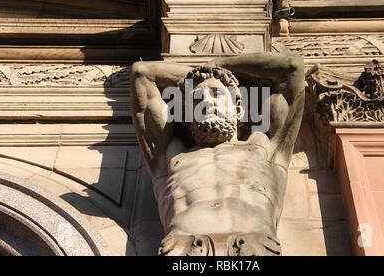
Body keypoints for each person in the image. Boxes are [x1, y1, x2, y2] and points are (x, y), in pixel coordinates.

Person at [130, 53, 305, 256]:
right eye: (197, 99)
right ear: (187, 116)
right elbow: (142, 74)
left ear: (238, 108)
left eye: (216, 94)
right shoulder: (172, 154)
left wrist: (217, 66)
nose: (207, 102)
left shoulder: (265, 147)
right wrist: (205, 74)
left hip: (251, 246)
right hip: (184, 248)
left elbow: (292, 67)